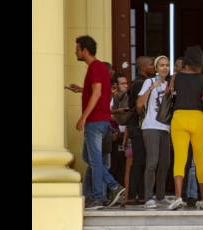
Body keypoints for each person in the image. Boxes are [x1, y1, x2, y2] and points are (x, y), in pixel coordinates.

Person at [73, 35, 125, 209]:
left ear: (84, 51)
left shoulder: (94, 67)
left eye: (77, 49)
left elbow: (97, 93)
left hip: (94, 122)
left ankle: (102, 194)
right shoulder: (102, 67)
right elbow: (101, 92)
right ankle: (105, 191)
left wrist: (84, 116)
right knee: (89, 157)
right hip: (103, 121)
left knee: (95, 160)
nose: (75, 51)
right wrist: (81, 90)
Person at [167, 45, 203, 210]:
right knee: (200, 160)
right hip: (197, 119)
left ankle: (178, 197)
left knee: (179, 159)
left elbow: (169, 94)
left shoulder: (175, 77)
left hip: (178, 118)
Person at [136, 55, 172, 208]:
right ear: (156, 69)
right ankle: (148, 197)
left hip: (165, 127)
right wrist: (151, 88)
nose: (165, 67)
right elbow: (139, 104)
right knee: (152, 162)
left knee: (165, 163)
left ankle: (161, 195)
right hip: (150, 126)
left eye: (167, 65)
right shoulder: (148, 81)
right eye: (161, 65)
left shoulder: (170, 84)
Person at [127, 56, 155, 204]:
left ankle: (139, 194)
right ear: (143, 67)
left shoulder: (140, 82)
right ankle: (135, 195)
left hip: (139, 126)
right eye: (151, 64)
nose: (154, 66)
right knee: (140, 160)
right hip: (139, 127)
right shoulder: (141, 83)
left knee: (142, 160)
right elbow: (141, 107)